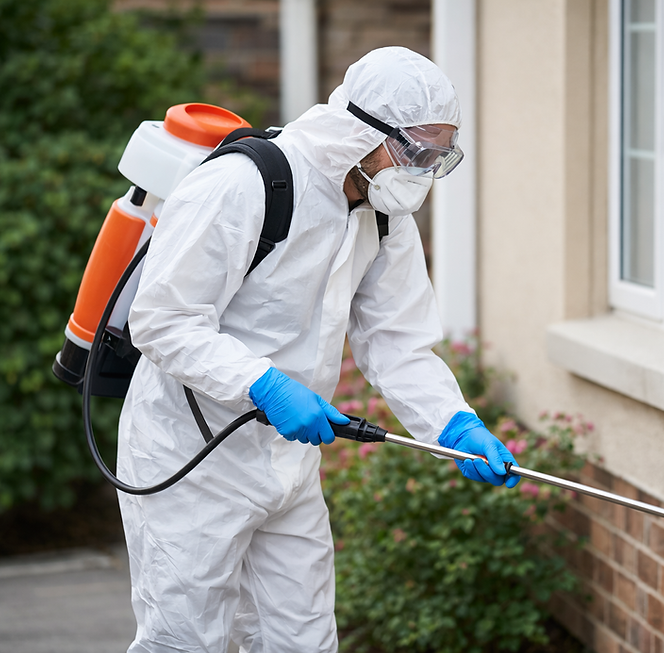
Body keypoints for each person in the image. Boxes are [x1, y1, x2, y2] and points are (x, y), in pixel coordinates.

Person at [116, 46, 520, 653]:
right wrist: (264, 384)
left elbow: (398, 342)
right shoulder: (245, 183)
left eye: (441, 156)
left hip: (288, 467)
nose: (424, 171)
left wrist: (453, 424)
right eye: (417, 151)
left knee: (303, 640)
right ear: (363, 129)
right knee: (187, 640)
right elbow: (164, 319)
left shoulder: (384, 215)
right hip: (190, 459)